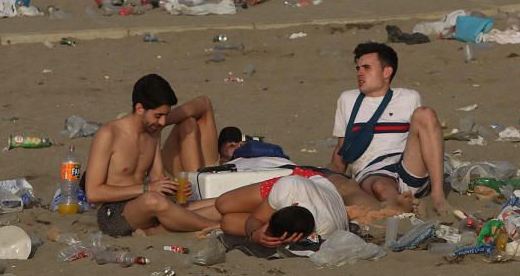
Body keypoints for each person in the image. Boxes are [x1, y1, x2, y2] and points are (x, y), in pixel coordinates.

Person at [84, 74, 221, 236]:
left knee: (220, 203)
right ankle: (217, 227)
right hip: (115, 212)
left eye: (165, 115)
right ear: (140, 108)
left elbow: (157, 177)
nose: (163, 122)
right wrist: (146, 188)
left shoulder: (153, 133)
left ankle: (157, 230)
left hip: (151, 203)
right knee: (153, 201)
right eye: (158, 116)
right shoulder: (108, 134)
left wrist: (174, 187)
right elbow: (93, 193)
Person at [326, 42, 450, 215]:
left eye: (367, 67)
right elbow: (341, 151)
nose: (360, 73)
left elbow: (422, 138)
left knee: (425, 113)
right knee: (381, 185)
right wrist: (324, 176)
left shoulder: (408, 97)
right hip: (371, 172)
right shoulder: (348, 100)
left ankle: (438, 195)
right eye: (358, 68)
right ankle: (398, 205)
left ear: (387, 72)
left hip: (407, 167)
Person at [216, 172, 349, 247]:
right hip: (309, 178)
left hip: (324, 201)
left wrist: (288, 245)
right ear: (293, 204)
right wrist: (254, 234)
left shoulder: (324, 231)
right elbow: (256, 218)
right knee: (223, 204)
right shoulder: (288, 188)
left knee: (228, 222)